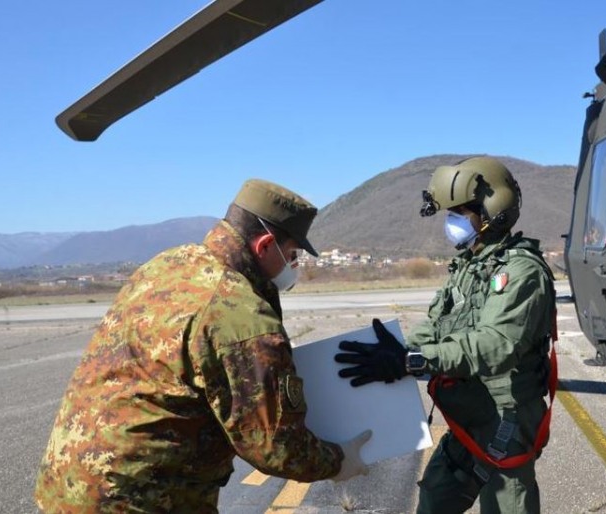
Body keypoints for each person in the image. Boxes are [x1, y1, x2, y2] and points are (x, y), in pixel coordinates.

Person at [35, 178, 372, 513]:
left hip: (71, 484)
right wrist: (338, 461)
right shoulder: (239, 313)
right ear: (265, 245)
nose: (295, 266)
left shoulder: (166, 266)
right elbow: (275, 446)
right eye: (292, 254)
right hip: (140, 500)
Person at [335, 156, 557, 514]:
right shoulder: (470, 266)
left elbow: (495, 345)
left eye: (460, 212)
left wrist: (414, 361)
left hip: (506, 419)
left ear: (491, 212)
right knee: (436, 497)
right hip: (471, 410)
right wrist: (399, 352)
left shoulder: (521, 272)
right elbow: (439, 323)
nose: (451, 222)